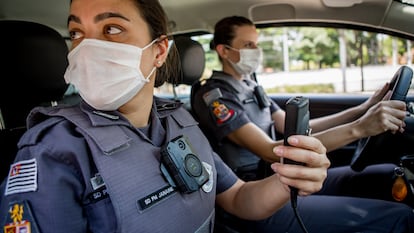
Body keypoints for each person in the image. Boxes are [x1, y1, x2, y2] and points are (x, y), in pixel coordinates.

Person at [0, 1, 330, 233]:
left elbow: (239, 197)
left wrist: (290, 179)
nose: (87, 48)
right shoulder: (52, 152)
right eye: (76, 33)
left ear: (159, 51)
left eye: (112, 28)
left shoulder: (178, 123)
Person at [191, 15, 414, 232]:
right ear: (223, 50)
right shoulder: (213, 96)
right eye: (248, 45)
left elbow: (300, 127)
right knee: (399, 219)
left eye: (256, 45)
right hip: (256, 192)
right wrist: (360, 128)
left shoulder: (251, 86)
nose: (256, 52)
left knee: (386, 175)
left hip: (282, 177)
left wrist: (362, 109)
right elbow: (271, 151)